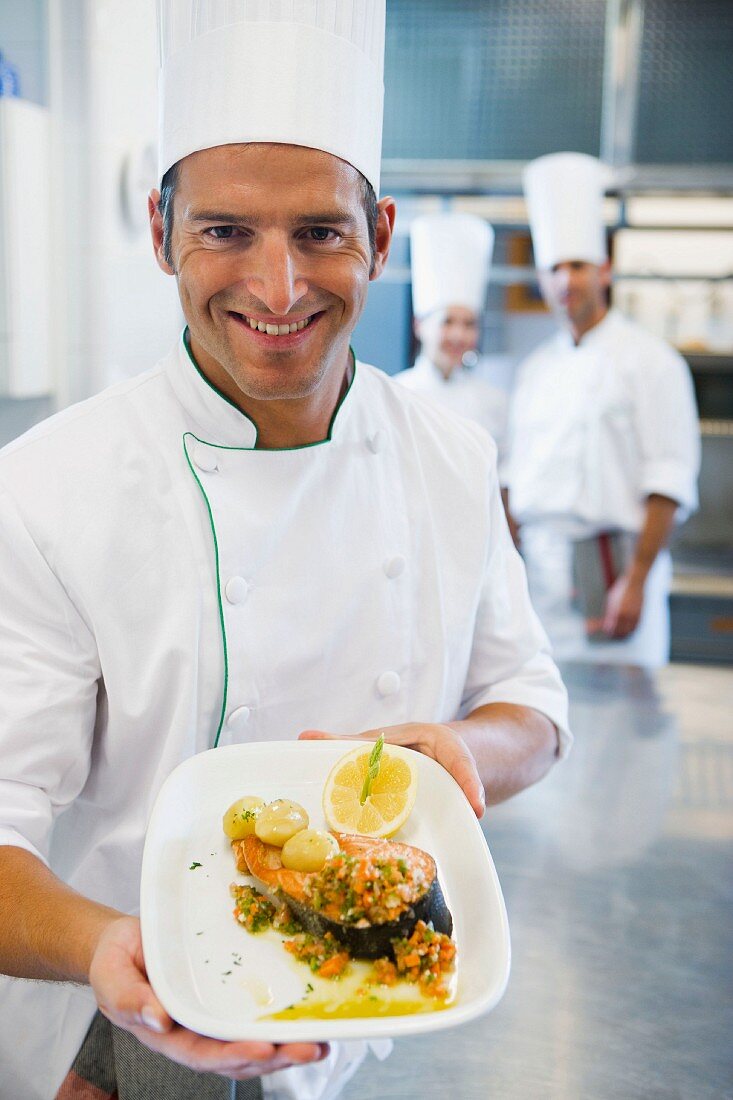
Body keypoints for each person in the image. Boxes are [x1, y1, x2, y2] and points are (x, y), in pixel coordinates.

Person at [0, 4, 570, 1099]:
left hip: (348, 1021)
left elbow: (533, 712)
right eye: (225, 231)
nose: (276, 288)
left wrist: (454, 749)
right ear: (160, 226)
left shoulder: (450, 458)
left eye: (319, 232)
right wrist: (100, 955)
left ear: (382, 236)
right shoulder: (44, 492)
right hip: (102, 1027)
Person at [502, 151, 700, 667]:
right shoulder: (534, 371)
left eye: (578, 267)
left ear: (605, 270)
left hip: (613, 575)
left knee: (618, 729)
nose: (566, 282)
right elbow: (513, 480)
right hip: (539, 580)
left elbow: (668, 479)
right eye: (554, 270)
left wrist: (635, 581)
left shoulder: (652, 362)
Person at [395, 212, 508, 459]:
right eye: (447, 322)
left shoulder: (493, 402)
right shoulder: (395, 394)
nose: (459, 335)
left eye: (469, 324)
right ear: (419, 326)